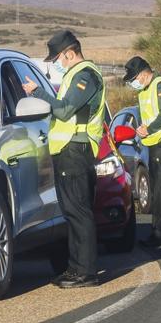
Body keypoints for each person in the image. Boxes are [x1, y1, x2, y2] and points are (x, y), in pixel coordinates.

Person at [22, 30, 105, 288]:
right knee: (71, 211)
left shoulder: (86, 76)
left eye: (57, 58)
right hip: (66, 150)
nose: (56, 63)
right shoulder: (73, 75)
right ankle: (75, 268)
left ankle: (87, 272)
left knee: (79, 212)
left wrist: (39, 94)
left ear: (70, 53)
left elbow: (66, 109)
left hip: (76, 151)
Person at [123, 56, 161, 247]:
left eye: (134, 78)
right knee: (157, 186)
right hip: (155, 142)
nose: (133, 82)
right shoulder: (145, 91)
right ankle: (158, 230)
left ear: (143, 74)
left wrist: (147, 129)